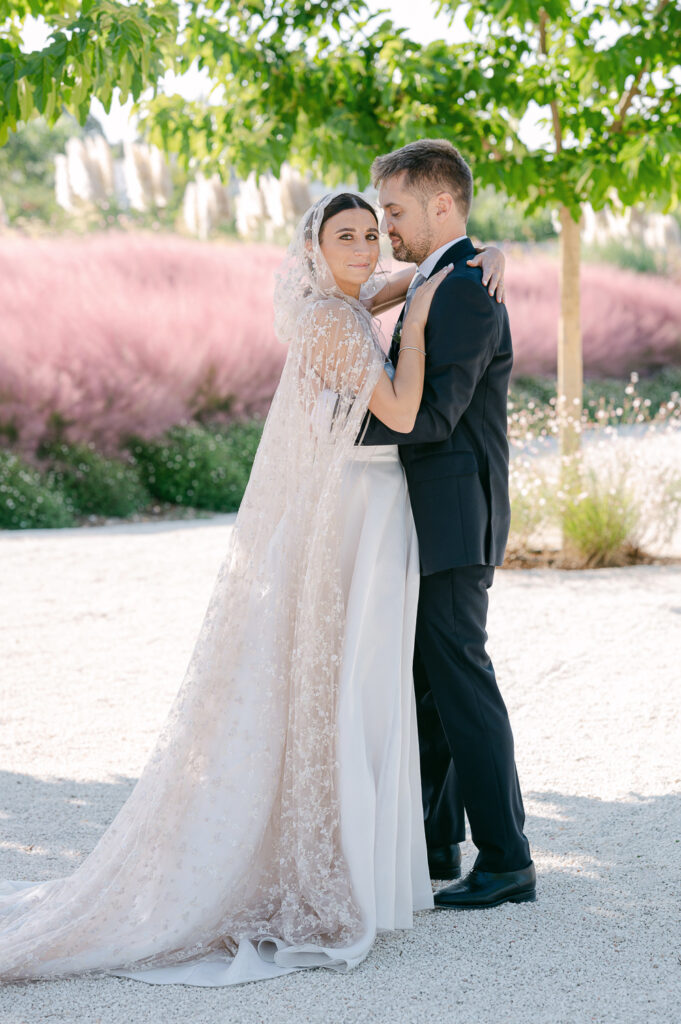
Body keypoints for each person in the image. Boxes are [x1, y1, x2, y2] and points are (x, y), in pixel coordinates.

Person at [0, 192, 505, 986]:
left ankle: (387, 854)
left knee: (363, 682)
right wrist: (432, 294)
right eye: (347, 235)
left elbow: (375, 285)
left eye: (374, 233)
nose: (368, 246)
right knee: (355, 683)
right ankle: (346, 865)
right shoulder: (332, 324)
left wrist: (459, 263)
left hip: (368, 510)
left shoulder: (335, 305)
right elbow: (405, 407)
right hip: (356, 509)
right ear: (312, 248)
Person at [362, 139, 536, 909]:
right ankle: (436, 845)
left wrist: (343, 425)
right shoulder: (439, 275)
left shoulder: (463, 288)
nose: (383, 224)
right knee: (427, 681)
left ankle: (506, 858)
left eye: (394, 210)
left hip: (454, 513)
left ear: (441, 204)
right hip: (431, 512)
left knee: (460, 680)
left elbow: (432, 417)